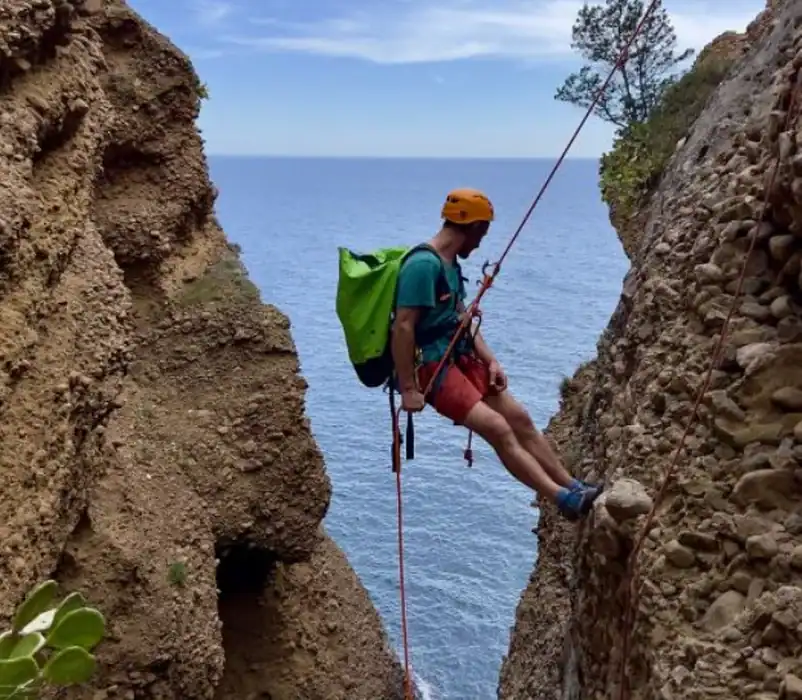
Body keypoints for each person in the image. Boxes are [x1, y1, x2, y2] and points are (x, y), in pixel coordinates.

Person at [390, 187, 601, 521]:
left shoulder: (449, 265)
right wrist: (409, 388)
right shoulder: (422, 266)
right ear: (471, 227)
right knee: (499, 429)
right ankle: (563, 499)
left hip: (458, 358)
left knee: (520, 420)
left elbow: (462, 319)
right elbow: (403, 327)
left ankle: (574, 485)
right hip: (432, 367)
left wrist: (490, 360)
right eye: (482, 233)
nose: (480, 242)